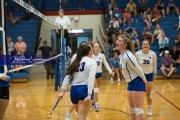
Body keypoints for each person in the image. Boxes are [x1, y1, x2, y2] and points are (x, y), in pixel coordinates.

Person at [58, 43, 97, 120]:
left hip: (73, 91)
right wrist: (89, 94)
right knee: (81, 117)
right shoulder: (92, 62)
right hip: (84, 90)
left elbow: (67, 76)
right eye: (92, 50)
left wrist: (62, 91)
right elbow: (91, 79)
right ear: (90, 51)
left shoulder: (76, 61)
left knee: (80, 116)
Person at [116, 35, 147, 120]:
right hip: (130, 83)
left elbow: (138, 69)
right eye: (117, 40)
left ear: (125, 44)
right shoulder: (121, 56)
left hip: (137, 82)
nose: (117, 42)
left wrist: (145, 81)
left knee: (138, 110)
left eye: (120, 41)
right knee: (132, 110)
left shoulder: (128, 56)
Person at [64, 41, 87, 120]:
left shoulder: (88, 57)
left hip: (85, 82)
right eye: (82, 46)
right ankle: (68, 114)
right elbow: (71, 70)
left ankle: (76, 115)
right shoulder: (75, 57)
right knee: (76, 101)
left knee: (81, 103)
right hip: (76, 80)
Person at [136, 40, 157, 116]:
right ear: (142, 46)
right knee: (139, 93)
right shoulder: (138, 54)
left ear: (149, 46)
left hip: (149, 75)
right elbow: (135, 65)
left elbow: (154, 64)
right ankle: (140, 110)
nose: (145, 45)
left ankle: (149, 109)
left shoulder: (153, 54)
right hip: (140, 75)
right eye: (144, 44)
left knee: (148, 94)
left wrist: (155, 73)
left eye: (146, 44)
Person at [92, 43, 114, 112]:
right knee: (95, 88)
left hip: (99, 73)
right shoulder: (91, 56)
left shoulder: (102, 56)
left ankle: (93, 100)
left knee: (97, 89)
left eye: (98, 47)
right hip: (92, 74)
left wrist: (110, 72)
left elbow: (106, 64)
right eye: (95, 47)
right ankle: (97, 104)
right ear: (93, 48)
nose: (97, 48)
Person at [0, 49, 12, 120]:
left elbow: (9, 78)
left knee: (1, 116)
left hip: (3, 89)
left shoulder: (5, 62)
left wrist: (1, 76)